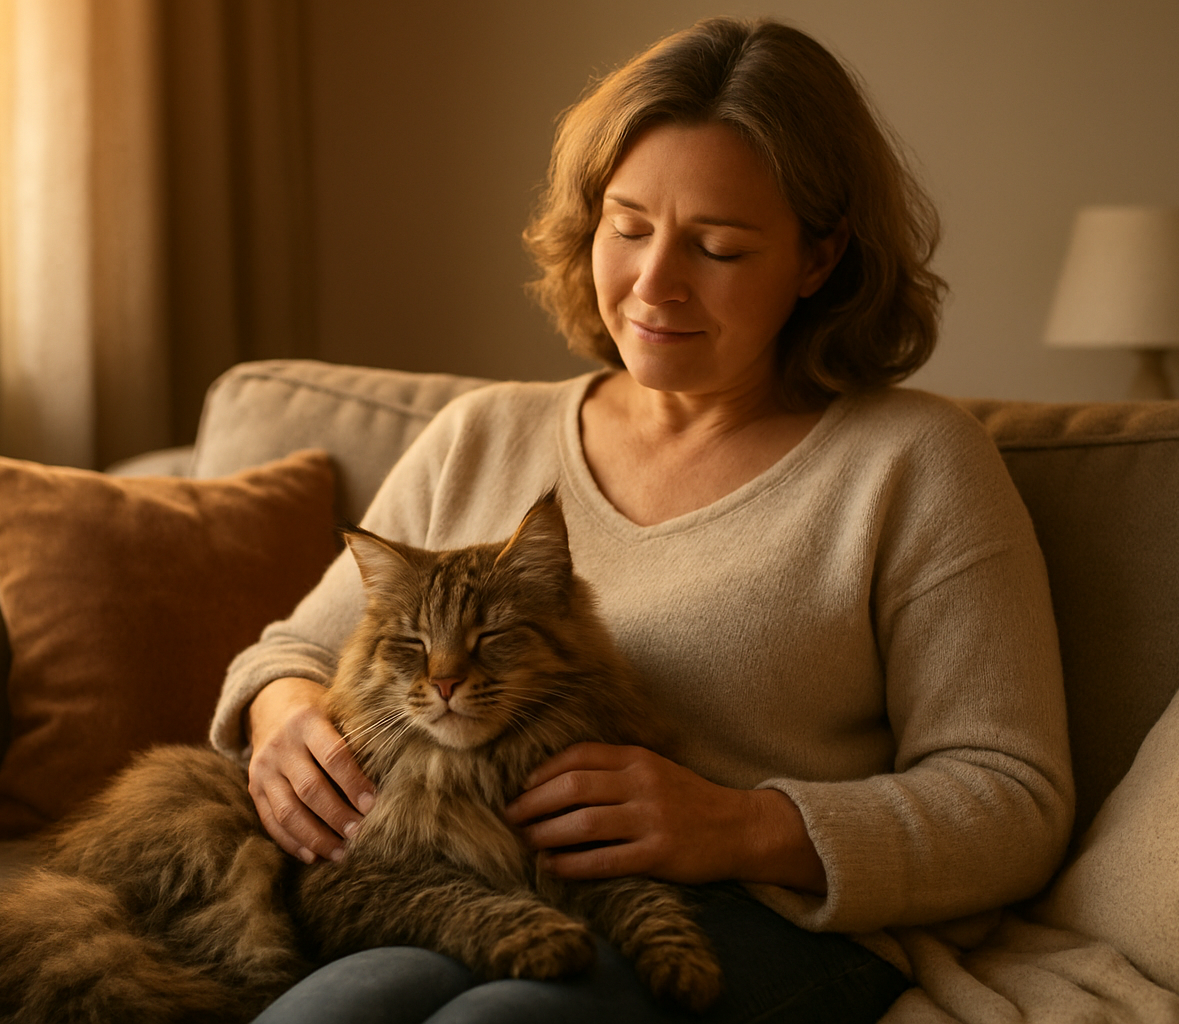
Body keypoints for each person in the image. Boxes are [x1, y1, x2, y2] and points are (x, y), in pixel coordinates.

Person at [209, 16, 1073, 1024]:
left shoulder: (913, 463)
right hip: (462, 884)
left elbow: (1015, 798)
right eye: (627, 225)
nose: (654, 283)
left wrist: (743, 826)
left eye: (717, 245)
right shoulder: (478, 436)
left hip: (762, 918)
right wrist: (282, 715)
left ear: (819, 256)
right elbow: (294, 650)